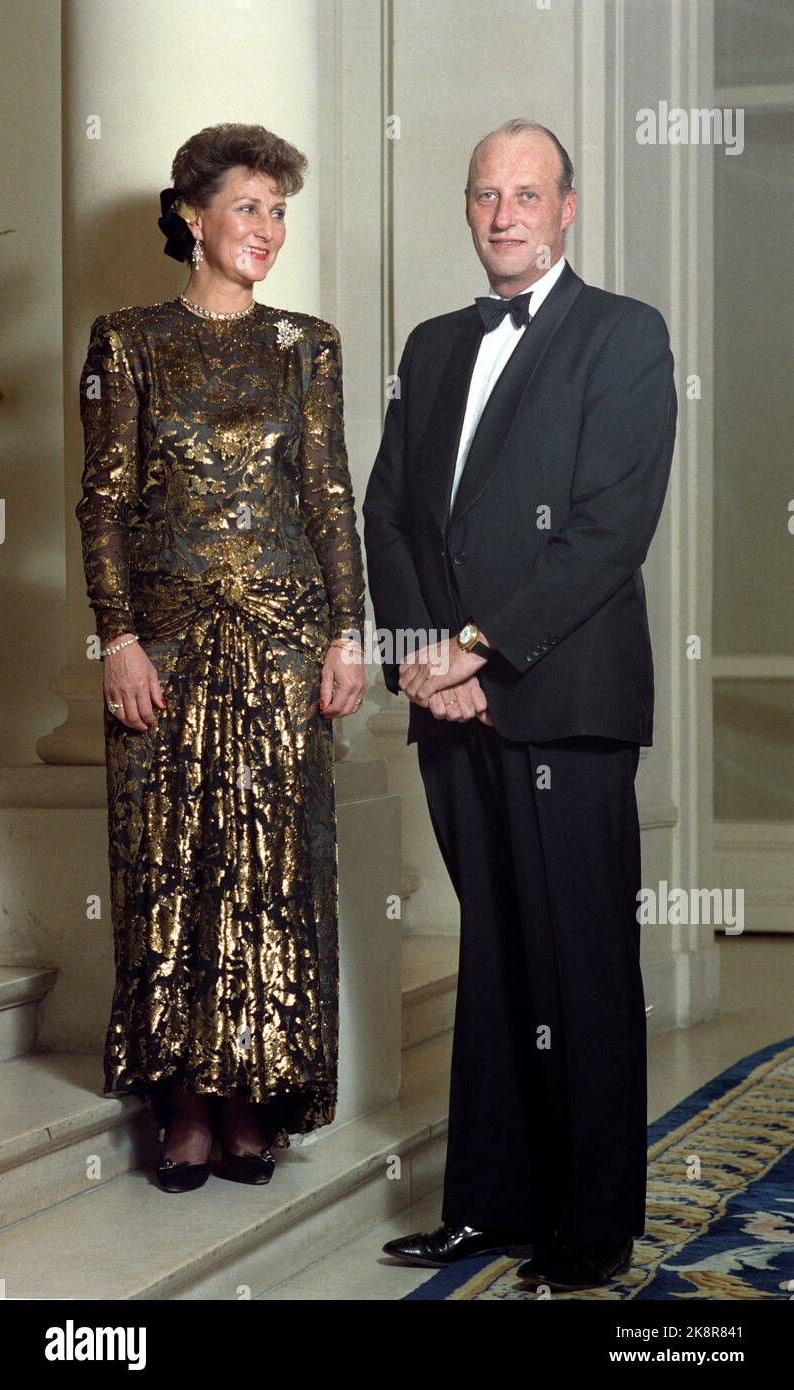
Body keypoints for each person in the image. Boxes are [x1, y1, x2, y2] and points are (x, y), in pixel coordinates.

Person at [363, 118, 676, 1290]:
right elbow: (387, 510)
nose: (503, 214)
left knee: (579, 963)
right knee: (493, 956)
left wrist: (480, 653)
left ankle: (591, 1223)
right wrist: (414, 658)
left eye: (526, 194)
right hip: (448, 705)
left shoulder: (625, 336)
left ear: (566, 208)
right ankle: (489, 1203)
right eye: (485, 194)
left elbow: (608, 531)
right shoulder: (434, 343)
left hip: (563, 702)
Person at [76, 122, 366, 1193]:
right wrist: (116, 636)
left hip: (285, 641)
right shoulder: (127, 340)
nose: (267, 230)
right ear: (191, 217)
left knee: (271, 873)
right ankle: (183, 1106)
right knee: (173, 868)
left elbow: (330, 500)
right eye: (248, 207)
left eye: (279, 211)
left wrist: (348, 632)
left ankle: (255, 1103)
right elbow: (102, 503)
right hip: (169, 646)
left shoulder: (308, 344)